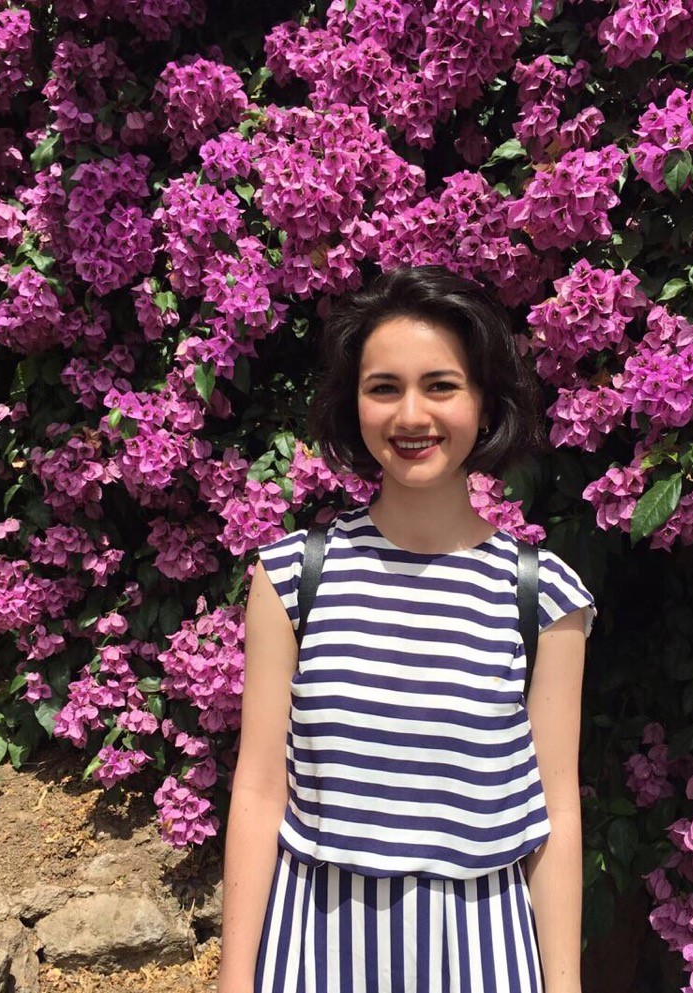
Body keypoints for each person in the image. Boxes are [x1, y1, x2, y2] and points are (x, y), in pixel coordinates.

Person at [217, 265, 596, 993]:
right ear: (354, 405)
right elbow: (260, 790)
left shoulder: (542, 596)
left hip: (484, 952)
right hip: (315, 947)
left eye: (441, 385)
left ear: (484, 402)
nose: (411, 415)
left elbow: (555, 812)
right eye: (384, 387)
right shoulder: (293, 577)